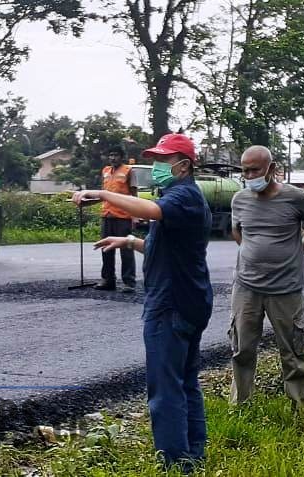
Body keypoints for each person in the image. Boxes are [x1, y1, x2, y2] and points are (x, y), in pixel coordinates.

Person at [72, 133, 212, 472]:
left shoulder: (183, 195)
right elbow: (166, 244)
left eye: (163, 161)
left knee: (165, 389)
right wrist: (130, 240)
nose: (156, 167)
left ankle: (176, 464)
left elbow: (152, 210)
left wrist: (105, 193)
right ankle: (193, 454)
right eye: (155, 159)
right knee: (185, 380)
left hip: (172, 303)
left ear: (183, 166)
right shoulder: (183, 196)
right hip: (190, 299)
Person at [228, 145, 304, 411]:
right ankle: (240, 406)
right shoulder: (239, 199)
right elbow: (237, 231)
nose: (249, 175)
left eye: (255, 170)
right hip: (246, 287)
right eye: (245, 170)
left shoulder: (295, 197)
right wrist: (251, 251)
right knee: (242, 348)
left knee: (294, 351)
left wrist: (298, 252)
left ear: (271, 169)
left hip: (286, 289)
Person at [95, 145, 138, 293]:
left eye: (116, 155)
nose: (113, 158)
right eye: (111, 155)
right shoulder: (105, 171)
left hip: (123, 216)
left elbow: (134, 196)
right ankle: (108, 280)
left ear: (121, 157)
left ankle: (129, 282)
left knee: (126, 249)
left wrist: (135, 216)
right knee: (106, 248)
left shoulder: (129, 171)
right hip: (107, 215)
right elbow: (103, 193)